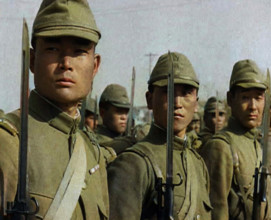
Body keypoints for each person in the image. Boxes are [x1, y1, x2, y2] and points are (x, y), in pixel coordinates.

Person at [0, 0, 109, 219]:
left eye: (79, 51)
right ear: (32, 59)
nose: (66, 63)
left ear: (95, 66)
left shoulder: (93, 152)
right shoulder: (9, 142)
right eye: (52, 49)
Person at [107, 52, 212, 220]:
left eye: (186, 92)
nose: (177, 103)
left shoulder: (198, 164)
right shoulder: (133, 163)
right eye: (167, 91)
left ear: (196, 102)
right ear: (149, 99)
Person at [200, 59, 269, 220]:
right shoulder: (220, 147)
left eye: (258, 98)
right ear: (230, 99)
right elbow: (217, 212)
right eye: (245, 97)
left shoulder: (258, 145)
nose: (253, 106)